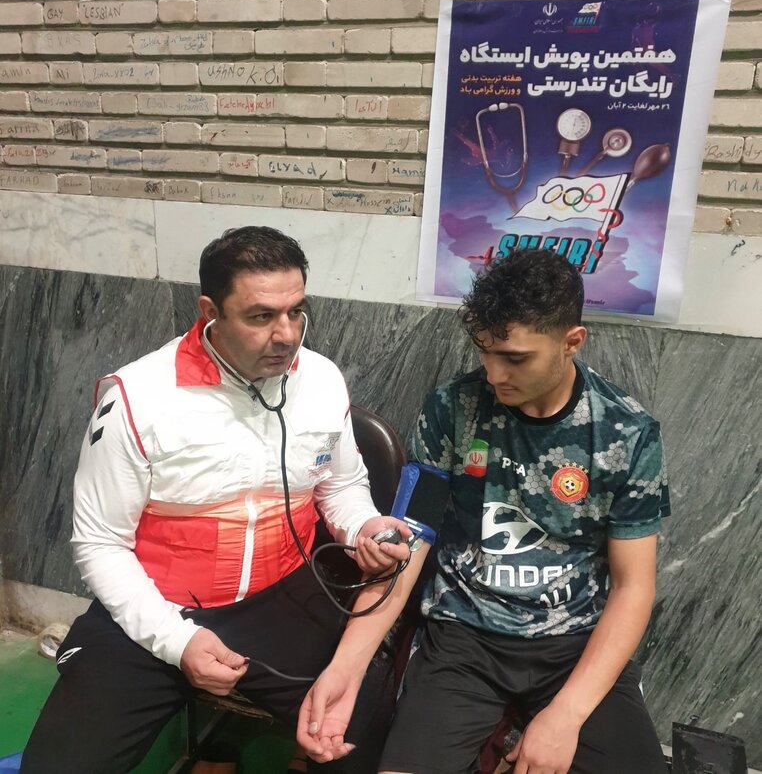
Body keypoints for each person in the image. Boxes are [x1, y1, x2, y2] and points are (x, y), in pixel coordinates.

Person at [21, 225, 411, 774]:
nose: (286, 335)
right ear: (211, 312)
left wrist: (361, 527)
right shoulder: (139, 397)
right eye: (261, 316)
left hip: (283, 597)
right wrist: (176, 641)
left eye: (297, 311)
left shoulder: (321, 380)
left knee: (366, 742)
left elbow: (340, 485)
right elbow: (99, 542)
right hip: (157, 605)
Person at [298, 249, 670, 774]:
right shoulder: (453, 407)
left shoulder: (625, 433)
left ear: (572, 342)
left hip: (573, 641)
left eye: (515, 358)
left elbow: (634, 587)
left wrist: (565, 716)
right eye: (485, 352)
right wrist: (347, 668)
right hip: (463, 636)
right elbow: (407, 545)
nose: (494, 375)